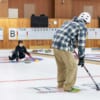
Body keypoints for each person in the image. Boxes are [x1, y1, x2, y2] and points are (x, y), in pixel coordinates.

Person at [52, 12, 91, 92]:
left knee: (62, 67)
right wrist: (81, 57)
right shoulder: (82, 26)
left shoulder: (68, 22)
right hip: (64, 47)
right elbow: (81, 43)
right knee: (72, 67)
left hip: (55, 46)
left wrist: (72, 46)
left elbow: (66, 35)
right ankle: (68, 87)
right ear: (86, 21)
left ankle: (61, 85)